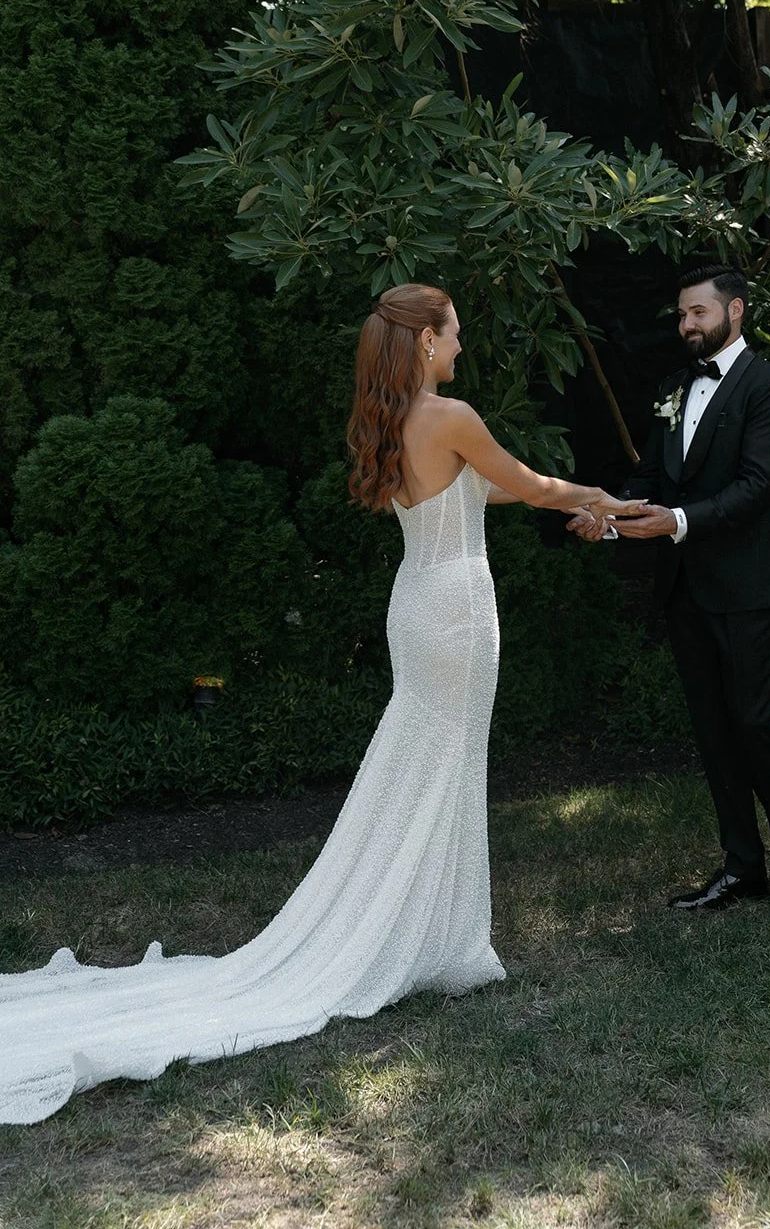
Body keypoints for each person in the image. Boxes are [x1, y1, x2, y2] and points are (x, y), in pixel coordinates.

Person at [0, 282, 643, 1124]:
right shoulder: (449, 414)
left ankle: (431, 934)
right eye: (453, 336)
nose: (460, 349)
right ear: (423, 343)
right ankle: (423, 938)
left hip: (421, 600)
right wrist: (593, 498)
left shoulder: (398, 422)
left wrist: (575, 499)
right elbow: (525, 480)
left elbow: (482, 491)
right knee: (442, 762)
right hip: (453, 609)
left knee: (427, 759)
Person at [570, 263, 770, 923]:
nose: (685, 325)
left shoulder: (769, 387)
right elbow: (651, 477)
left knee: (755, 724)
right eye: (680, 315)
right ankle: (741, 867)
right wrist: (608, 517)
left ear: (734, 312)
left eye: (697, 314)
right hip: (684, 589)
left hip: (746, 588)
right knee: (712, 732)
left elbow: (757, 486)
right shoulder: (673, 388)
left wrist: (677, 523)